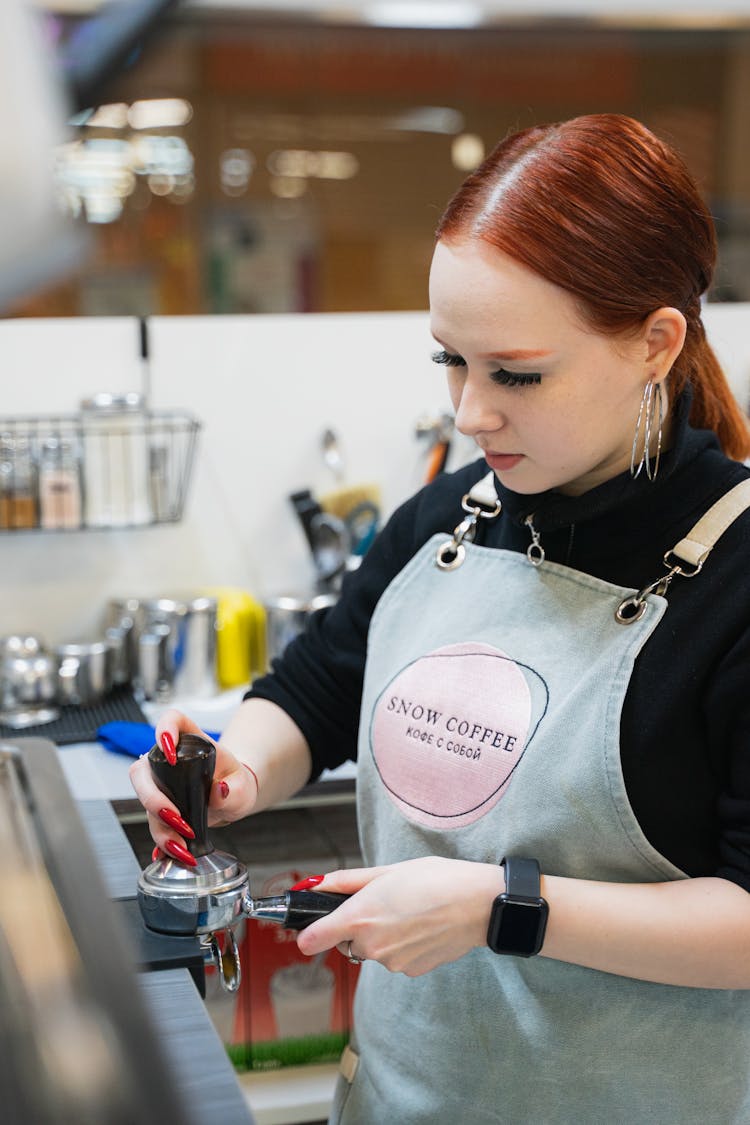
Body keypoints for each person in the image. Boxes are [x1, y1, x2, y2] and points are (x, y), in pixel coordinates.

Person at [130, 114, 750, 1123]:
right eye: (449, 363)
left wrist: (503, 910)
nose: (470, 413)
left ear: (655, 343)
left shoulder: (735, 574)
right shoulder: (454, 515)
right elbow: (320, 683)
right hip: (398, 1099)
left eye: (516, 373)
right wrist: (235, 770)